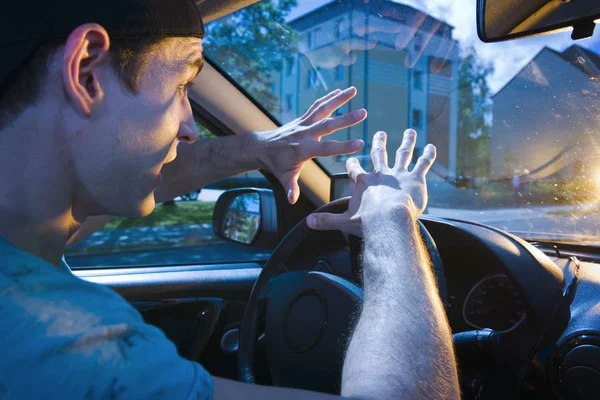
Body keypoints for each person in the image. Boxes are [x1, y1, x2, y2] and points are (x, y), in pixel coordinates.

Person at [0, 1, 459, 399]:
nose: (189, 126)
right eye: (182, 87)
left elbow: (154, 177)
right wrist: (392, 216)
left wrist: (258, 146)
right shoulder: (58, 341)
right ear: (86, 72)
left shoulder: (25, 234)